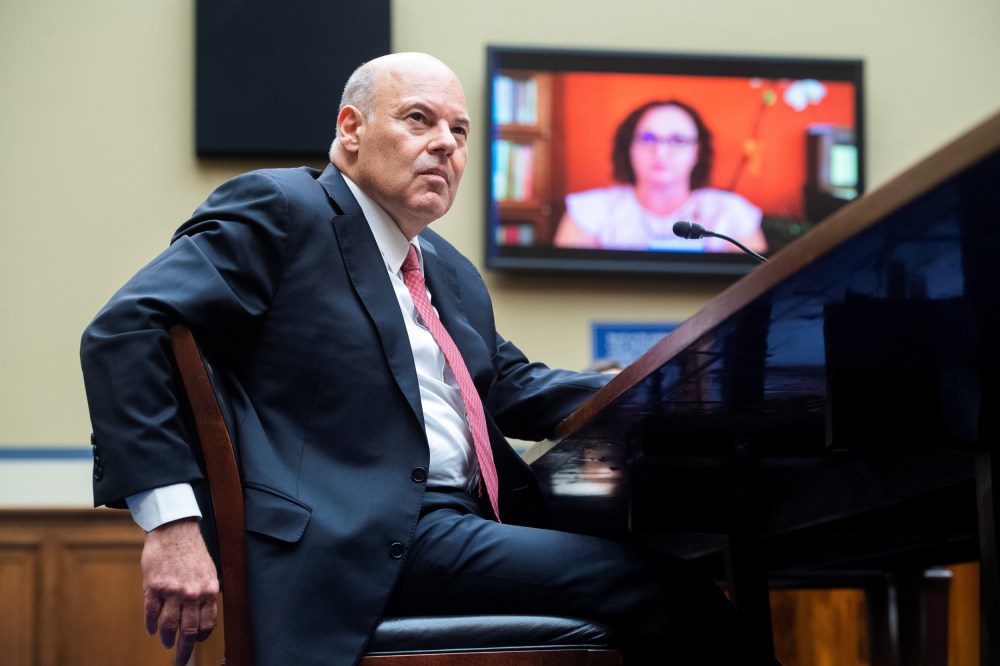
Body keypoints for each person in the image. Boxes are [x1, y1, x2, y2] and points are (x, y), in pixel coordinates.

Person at [80, 53, 777, 666]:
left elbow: (511, 384)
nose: (445, 144)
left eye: (460, 131)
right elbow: (124, 330)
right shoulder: (284, 209)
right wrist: (171, 525)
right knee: (666, 591)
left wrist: (671, 385)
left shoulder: (444, 267)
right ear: (350, 129)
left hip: (465, 527)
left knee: (679, 557)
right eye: (420, 120)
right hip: (365, 538)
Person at [554, 100, 768, 254]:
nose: (661, 152)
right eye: (648, 138)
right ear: (628, 147)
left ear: (698, 152)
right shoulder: (589, 211)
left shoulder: (731, 212)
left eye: (677, 140)